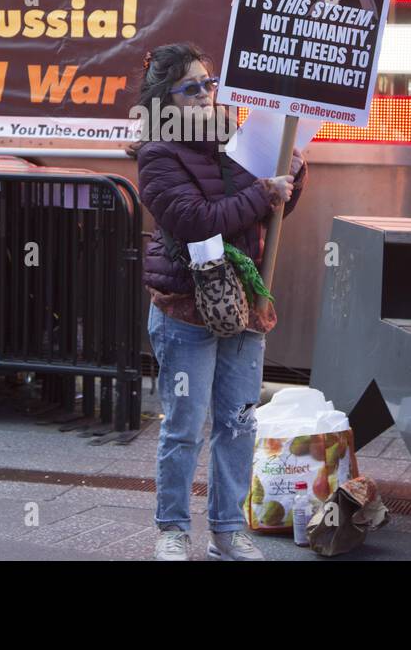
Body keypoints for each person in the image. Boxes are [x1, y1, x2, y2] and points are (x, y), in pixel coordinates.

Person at [130, 42, 308, 560]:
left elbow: (264, 216)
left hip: (244, 305)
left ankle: (228, 531)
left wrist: (290, 177)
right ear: (167, 102)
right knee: (184, 427)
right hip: (186, 307)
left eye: (210, 83)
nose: (208, 94)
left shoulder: (236, 140)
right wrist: (264, 192)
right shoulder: (157, 154)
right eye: (193, 88)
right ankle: (172, 531)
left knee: (238, 422)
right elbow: (193, 220)